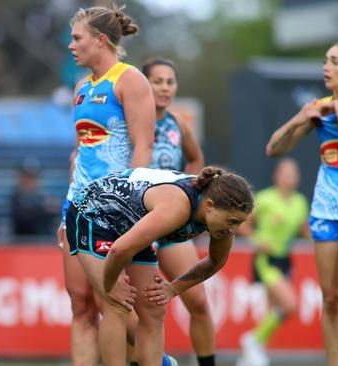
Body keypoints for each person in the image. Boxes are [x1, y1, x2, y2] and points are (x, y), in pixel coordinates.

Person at [265, 41, 338, 366]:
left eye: (334, 61)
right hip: (325, 209)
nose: (326, 67)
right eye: (325, 61)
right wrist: (300, 117)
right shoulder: (320, 108)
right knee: (330, 299)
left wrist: (335, 106)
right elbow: (273, 149)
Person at [66, 166, 253, 366]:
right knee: (116, 303)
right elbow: (119, 250)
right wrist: (110, 286)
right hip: (94, 213)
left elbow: (215, 262)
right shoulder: (178, 207)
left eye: (239, 223)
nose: (234, 230)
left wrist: (173, 288)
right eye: (232, 221)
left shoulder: (223, 226)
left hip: (129, 226)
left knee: (154, 308)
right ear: (209, 205)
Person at [56, 5, 156, 366]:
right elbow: (80, 152)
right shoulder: (82, 87)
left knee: (114, 302)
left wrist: (130, 206)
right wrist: (66, 210)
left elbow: (143, 146)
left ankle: (156, 359)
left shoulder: (129, 80)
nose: (71, 45)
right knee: (80, 303)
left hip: (116, 207)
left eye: (77, 38)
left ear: (101, 40)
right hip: (77, 206)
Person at [141, 58, 215, 366]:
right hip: (139, 224)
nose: (165, 87)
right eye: (157, 81)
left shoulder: (177, 124)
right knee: (140, 308)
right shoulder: (130, 121)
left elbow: (196, 158)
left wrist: (191, 191)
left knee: (197, 301)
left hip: (172, 226)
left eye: (170, 81)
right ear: (143, 84)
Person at [235, 159, 309, 366]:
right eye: (286, 173)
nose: (290, 177)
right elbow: (242, 222)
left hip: (285, 260)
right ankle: (252, 340)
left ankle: (250, 358)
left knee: (272, 311)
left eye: (294, 173)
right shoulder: (266, 198)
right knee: (289, 305)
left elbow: (305, 231)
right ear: (277, 176)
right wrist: (256, 240)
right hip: (267, 259)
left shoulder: (300, 202)